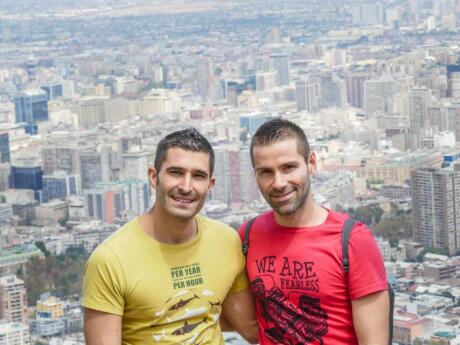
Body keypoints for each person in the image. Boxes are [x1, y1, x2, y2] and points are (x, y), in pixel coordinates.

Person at [83, 128, 258, 345]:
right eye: (176, 172)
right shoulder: (110, 260)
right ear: (154, 177)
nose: (186, 186)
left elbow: (251, 329)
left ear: (210, 185)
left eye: (198, 176)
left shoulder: (226, 241)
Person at [240, 118, 389, 345]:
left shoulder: (352, 240)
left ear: (311, 162)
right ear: (256, 176)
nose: (279, 182)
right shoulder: (249, 235)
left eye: (289, 167)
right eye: (266, 172)